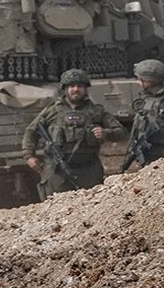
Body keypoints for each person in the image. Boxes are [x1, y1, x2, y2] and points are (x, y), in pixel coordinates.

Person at [21, 68, 123, 199]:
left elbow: (121, 132)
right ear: (65, 89)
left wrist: (106, 133)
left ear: (86, 89)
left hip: (89, 170)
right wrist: (29, 156)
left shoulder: (96, 111)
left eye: (80, 86)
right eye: (71, 86)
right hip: (57, 171)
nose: (76, 89)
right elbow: (31, 132)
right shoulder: (51, 111)